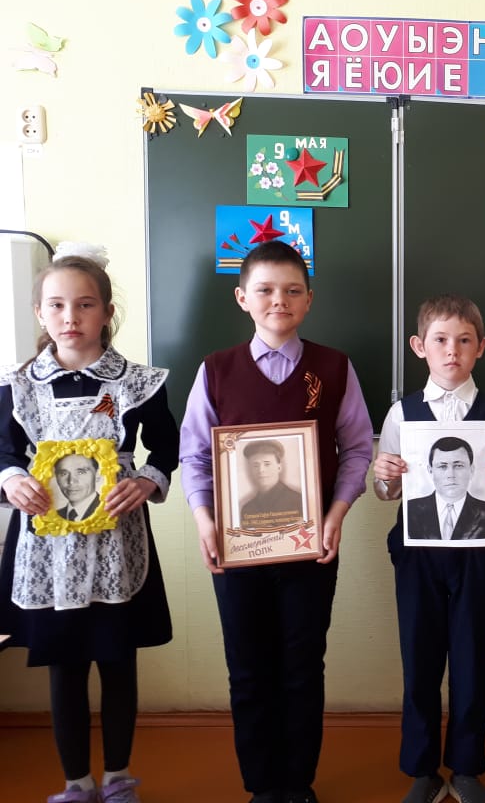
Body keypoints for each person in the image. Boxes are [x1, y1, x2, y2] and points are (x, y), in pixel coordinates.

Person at [179, 240, 374, 803]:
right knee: (248, 668)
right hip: (236, 550)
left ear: (309, 299)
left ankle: (298, 782)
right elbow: (195, 455)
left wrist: (337, 512)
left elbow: (357, 448)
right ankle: (263, 786)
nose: (278, 300)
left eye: (292, 290)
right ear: (242, 298)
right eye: (264, 290)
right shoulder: (216, 370)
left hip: (311, 548)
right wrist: (204, 520)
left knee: (302, 666)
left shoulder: (334, 367)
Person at [0, 248, 179, 803]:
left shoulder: (137, 382)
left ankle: (119, 777)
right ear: (39, 312)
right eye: (56, 305)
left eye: (84, 304)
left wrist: (146, 480)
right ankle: (76, 783)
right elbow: (3, 450)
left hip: (117, 542)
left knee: (117, 659)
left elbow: (167, 446)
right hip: (45, 548)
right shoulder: (18, 384)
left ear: (106, 312)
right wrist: (11, 478)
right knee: (65, 664)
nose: (70, 317)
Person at [373, 294, 485, 803]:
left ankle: (465, 768)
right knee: (419, 659)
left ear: (480, 347)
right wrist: (383, 474)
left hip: (476, 553)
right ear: (420, 346)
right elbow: (387, 491)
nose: (452, 351)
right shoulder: (402, 412)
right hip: (418, 553)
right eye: (440, 340)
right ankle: (422, 770)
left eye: (463, 340)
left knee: (471, 658)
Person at [405, 435, 485, 541]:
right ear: (430, 471)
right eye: (442, 466)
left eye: (458, 466)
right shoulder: (411, 509)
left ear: (471, 470)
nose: (451, 475)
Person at [239, 439, 304, 528]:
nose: (261, 470)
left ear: (279, 467)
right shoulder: (247, 509)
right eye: (255, 465)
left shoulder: (298, 501)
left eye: (267, 464)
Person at [53, 453, 101, 521]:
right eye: (64, 473)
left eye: (80, 472)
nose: (71, 481)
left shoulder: (108, 510)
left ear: (97, 475)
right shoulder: (55, 516)